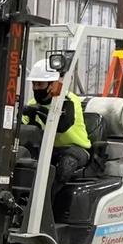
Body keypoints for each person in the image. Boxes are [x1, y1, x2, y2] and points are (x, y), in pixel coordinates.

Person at [21, 59, 92, 195]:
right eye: (34, 84)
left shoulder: (68, 101)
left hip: (75, 149)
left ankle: (47, 202)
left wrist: (42, 113)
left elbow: (63, 125)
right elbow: (24, 129)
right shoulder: (32, 104)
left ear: (52, 84)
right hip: (48, 149)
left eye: (40, 84)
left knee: (67, 164)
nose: (36, 88)